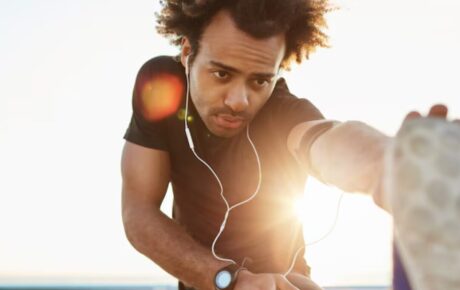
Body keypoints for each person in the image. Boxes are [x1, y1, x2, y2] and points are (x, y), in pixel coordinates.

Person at [120, 0, 454, 289]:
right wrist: (228, 279)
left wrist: (390, 164)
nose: (239, 101)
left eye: (260, 80)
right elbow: (138, 208)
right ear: (187, 52)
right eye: (222, 74)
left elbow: (325, 140)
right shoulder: (161, 85)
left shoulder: (284, 112)